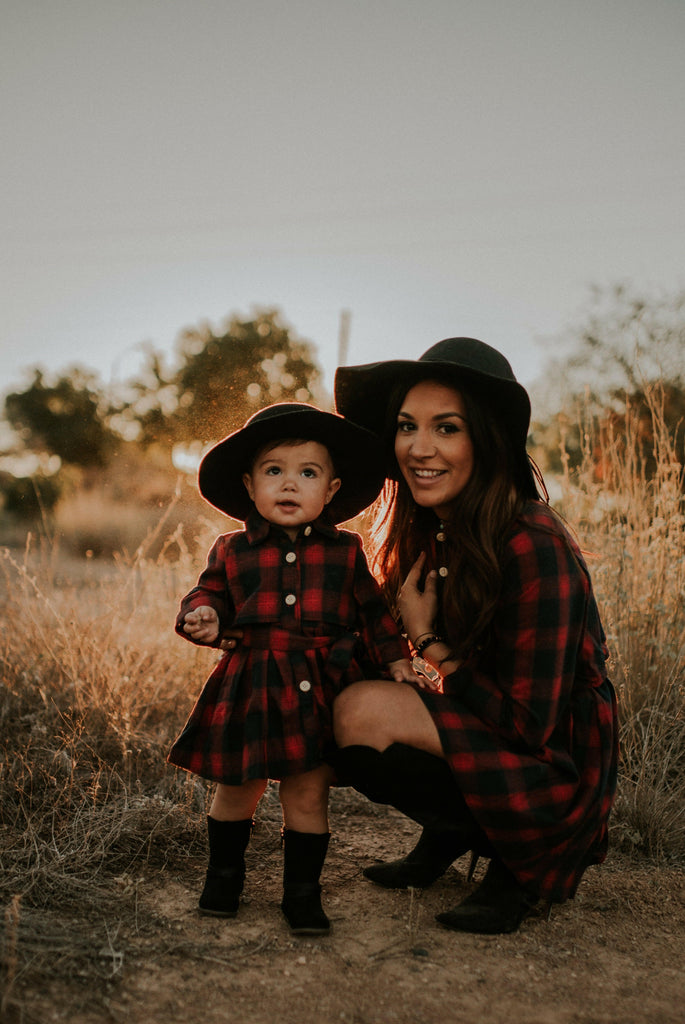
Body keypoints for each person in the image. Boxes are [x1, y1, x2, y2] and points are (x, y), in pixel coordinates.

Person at [331, 337, 619, 935]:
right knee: (334, 694)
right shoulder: (437, 530)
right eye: (407, 426)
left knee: (363, 712)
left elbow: (528, 725)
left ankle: (521, 858)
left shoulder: (532, 543)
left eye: (447, 428)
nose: (419, 447)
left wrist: (430, 643)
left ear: (484, 440)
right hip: (498, 734)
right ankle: (456, 828)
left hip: (555, 768)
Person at [168, 402, 419, 936]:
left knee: (307, 790)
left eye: (308, 473)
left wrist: (396, 659)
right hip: (253, 682)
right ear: (250, 484)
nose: (290, 484)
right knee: (240, 786)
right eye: (274, 470)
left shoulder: (347, 552)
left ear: (330, 491)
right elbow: (206, 592)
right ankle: (224, 876)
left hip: (317, 688)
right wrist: (202, 615)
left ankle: (302, 893)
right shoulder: (231, 549)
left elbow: (372, 613)